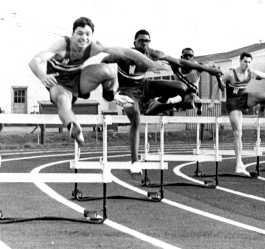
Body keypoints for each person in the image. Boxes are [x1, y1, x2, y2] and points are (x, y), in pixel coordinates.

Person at [29, 17, 170, 147]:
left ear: (92, 36)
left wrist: (150, 63)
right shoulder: (61, 45)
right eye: (79, 33)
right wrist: (42, 76)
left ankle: (110, 96)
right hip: (58, 84)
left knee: (108, 70)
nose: (83, 38)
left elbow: (126, 52)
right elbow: (34, 61)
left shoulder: (95, 46)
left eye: (87, 34)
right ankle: (73, 127)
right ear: (73, 34)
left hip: (78, 80)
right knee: (62, 99)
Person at [98, 30, 223, 173]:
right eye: (141, 41)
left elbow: (180, 62)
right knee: (136, 120)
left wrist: (208, 70)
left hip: (145, 86)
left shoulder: (153, 53)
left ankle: (173, 103)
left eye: (147, 41)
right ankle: (134, 162)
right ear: (135, 42)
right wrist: (106, 85)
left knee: (181, 87)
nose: (144, 44)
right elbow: (104, 61)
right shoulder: (123, 54)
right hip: (127, 92)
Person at [209, 52, 265, 177]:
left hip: (245, 98)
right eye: (245, 61)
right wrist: (211, 102)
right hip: (233, 103)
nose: (247, 64)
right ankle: (239, 163)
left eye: (249, 62)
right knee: (238, 133)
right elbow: (217, 85)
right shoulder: (231, 74)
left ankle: (263, 112)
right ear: (240, 61)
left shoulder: (251, 72)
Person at [145, 47, 221, 116]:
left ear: (193, 58)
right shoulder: (176, 66)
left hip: (189, 94)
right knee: (151, 111)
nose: (188, 57)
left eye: (190, 56)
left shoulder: (200, 67)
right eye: (185, 56)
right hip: (175, 94)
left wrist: (220, 81)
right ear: (181, 57)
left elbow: (214, 66)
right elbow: (161, 59)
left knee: (190, 98)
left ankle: (196, 103)